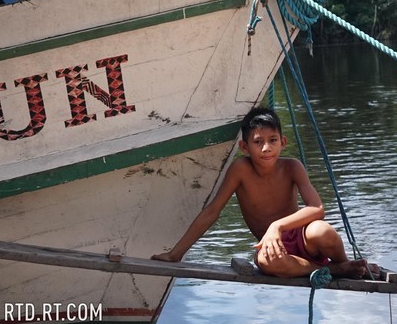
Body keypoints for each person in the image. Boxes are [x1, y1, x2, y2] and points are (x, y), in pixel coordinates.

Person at [152, 107, 376, 279]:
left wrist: (277, 226)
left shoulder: (292, 167)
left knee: (322, 230)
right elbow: (212, 211)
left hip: (302, 237)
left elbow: (317, 209)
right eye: (258, 142)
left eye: (272, 141)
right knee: (267, 262)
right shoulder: (241, 169)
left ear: (282, 142)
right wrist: (175, 254)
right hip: (273, 247)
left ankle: (348, 264)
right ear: (245, 147)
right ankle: (333, 270)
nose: (266, 148)